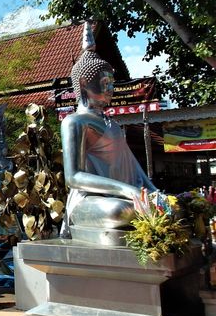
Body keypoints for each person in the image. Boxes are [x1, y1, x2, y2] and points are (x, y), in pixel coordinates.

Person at [60, 22, 156, 245]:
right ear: (84, 83)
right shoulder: (74, 122)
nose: (110, 90)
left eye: (112, 83)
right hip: (91, 201)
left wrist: (154, 194)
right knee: (121, 211)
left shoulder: (111, 124)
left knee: (170, 205)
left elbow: (136, 171)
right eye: (104, 83)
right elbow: (73, 177)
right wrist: (128, 190)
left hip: (123, 195)